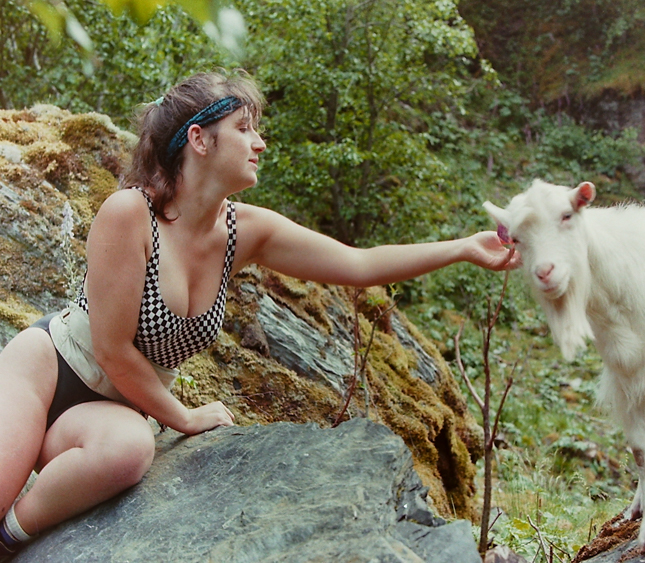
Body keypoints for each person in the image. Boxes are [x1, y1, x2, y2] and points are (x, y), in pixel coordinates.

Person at [0, 70, 519, 556]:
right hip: (48, 371)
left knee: (130, 451)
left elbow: (360, 264)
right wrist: (183, 417)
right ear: (199, 140)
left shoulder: (245, 230)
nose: (260, 142)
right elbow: (112, 351)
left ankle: (9, 537)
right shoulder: (129, 214)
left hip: (112, 413)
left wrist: (462, 248)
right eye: (244, 128)